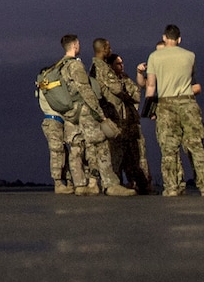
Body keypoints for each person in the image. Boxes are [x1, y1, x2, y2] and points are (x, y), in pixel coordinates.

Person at [58, 35, 134, 195]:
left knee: (89, 147)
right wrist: (99, 113)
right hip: (86, 110)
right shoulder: (75, 66)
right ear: (75, 45)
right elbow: (85, 90)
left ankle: (91, 183)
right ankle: (110, 184)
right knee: (102, 144)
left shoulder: (61, 66)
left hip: (73, 112)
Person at [147, 24, 204, 196]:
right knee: (196, 145)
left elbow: (151, 86)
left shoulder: (154, 57)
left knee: (168, 149)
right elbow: (192, 80)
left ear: (164, 37)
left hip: (165, 104)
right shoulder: (190, 56)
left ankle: (171, 187)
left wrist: (149, 110)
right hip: (188, 103)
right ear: (179, 39)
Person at [93, 44, 151, 194]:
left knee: (136, 158)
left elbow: (136, 95)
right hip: (116, 121)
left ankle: (141, 184)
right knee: (116, 157)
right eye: (118, 63)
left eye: (122, 63)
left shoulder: (125, 79)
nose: (122, 66)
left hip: (130, 124)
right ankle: (114, 184)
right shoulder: (105, 78)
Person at [37, 63, 73, 194]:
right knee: (57, 151)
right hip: (52, 121)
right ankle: (58, 183)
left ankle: (68, 181)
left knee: (65, 152)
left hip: (59, 121)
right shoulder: (46, 86)